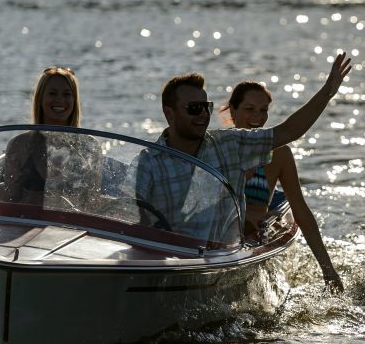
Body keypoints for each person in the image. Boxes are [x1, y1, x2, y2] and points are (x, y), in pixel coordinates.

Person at [134, 51, 352, 242]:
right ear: (169, 113)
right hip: (172, 254)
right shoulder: (148, 160)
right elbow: (138, 218)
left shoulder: (229, 144)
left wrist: (327, 93)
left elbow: (289, 131)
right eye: (193, 108)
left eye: (206, 107)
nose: (202, 114)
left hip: (221, 255)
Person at [224, 81, 344, 290]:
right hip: (219, 241)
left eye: (264, 110)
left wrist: (328, 269)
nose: (258, 117)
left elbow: (300, 210)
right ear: (233, 110)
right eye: (249, 109)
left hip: (253, 239)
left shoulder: (279, 154)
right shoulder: (217, 148)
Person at [0, 66, 100, 206]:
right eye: (52, 93)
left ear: (74, 100)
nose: (60, 100)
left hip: (73, 225)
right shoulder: (19, 145)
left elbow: (91, 205)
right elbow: (11, 202)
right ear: (40, 99)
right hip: (29, 222)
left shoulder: (89, 146)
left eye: (66, 94)